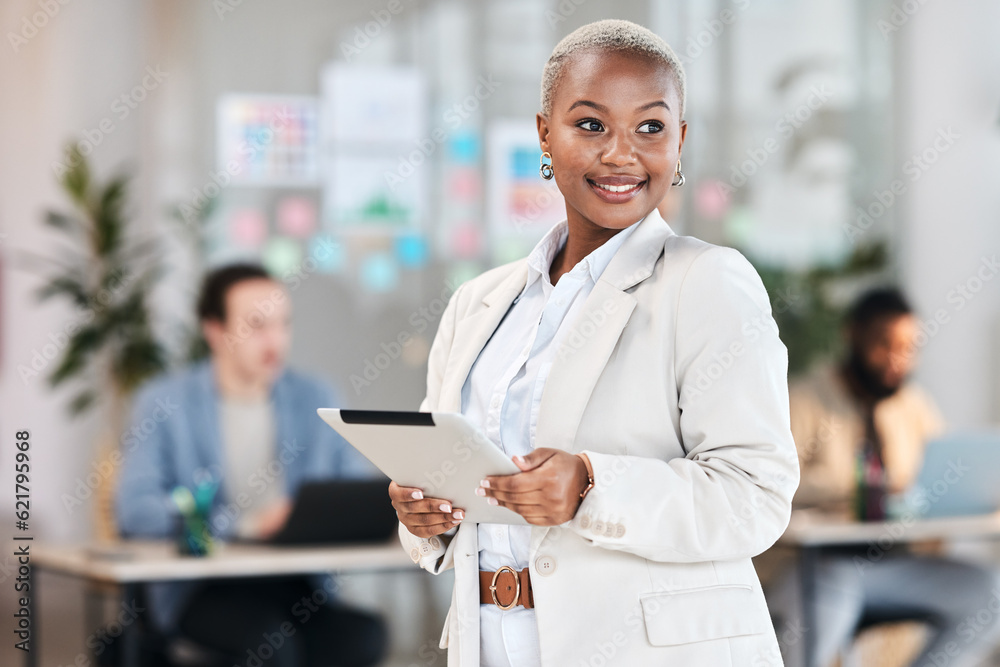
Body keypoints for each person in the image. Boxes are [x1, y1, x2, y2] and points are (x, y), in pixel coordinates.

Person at [388, 19, 800, 667]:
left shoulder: (706, 282)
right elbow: (442, 474)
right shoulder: (479, 304)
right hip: (493, 645)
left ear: (681, 142)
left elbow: (756, 495)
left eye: (651, 127)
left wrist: (590, 485)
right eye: (590, 124)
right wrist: (424, 512)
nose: (620, 154)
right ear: (544, 133)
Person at [116, 264, 386, 667]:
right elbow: (135, 508)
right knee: (271, 643)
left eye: (283, 324)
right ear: (215, 330)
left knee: (362, 637)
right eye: (257, 325)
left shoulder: (315, 397)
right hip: (203, 587)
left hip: (295, 582)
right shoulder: (164, 403)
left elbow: (353, 489)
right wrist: (240, 526)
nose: (274, 340)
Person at [767, 288, 999, 667]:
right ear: (852, 335)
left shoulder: (914, 405)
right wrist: (849, 489)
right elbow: (771, 485)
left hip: (894, 565)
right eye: (884, 345)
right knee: (826, 601)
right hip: (819, 566)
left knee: (989, 591)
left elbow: (941, 475)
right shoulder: (804, 400)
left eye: (909, 348)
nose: (898, 359)